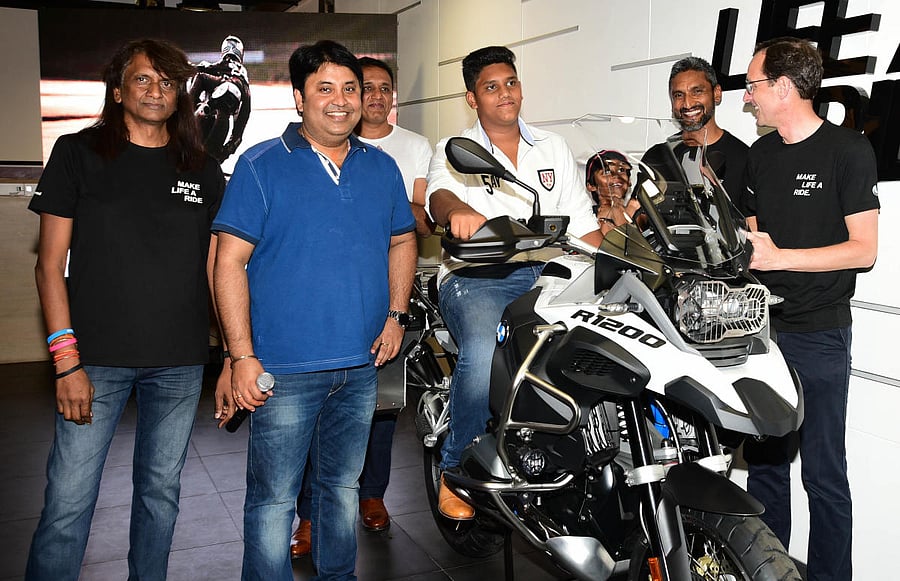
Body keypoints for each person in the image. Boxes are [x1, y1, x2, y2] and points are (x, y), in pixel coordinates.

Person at [211, 40, 417, 581]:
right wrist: (240, 357)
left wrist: (397, 314)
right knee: (274, 501)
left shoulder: (382, 168)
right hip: (282, 370)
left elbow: (402, 240)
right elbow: (227, 264)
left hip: (359, 368)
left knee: (340, 491)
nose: (341, 101)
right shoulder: (260, 166)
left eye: (351, 89)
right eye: (324, 88)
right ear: (299, 99)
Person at [25, 38, 225, 580]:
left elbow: (218, 270)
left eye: (166, 81)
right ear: (118, 91)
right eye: (142, 79)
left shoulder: (202, 167)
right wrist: (66, 362)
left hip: (180, 362)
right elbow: (48, 267)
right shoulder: (76, 152)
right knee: (69, 501)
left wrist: (231, 354)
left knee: (159, 496)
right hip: (93, 361)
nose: (156, 90)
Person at [425, 45, 603, 519]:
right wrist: (456, 211)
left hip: (546, 272)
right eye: (491, 87)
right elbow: (439, 195)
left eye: (511, 82)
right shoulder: (455, 149)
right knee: (484, 352)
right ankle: (455, 468)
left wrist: (616, 263)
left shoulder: (553, 148)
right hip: (477, 274)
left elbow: (582, 225)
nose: (505, 93)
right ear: (471, 98)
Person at [739, 37, 879, 581]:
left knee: (824, 475)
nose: (747, 98)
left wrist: (781, 258)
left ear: (783, 87)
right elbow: (753, 234)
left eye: (753, 86)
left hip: (821, 334)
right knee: (767, 470)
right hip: (761, 334)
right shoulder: (760, 155)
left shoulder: (848, 151)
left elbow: (864, 250)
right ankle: (766, 571)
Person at [289, 56, 433, 558]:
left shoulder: (408, 151)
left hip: (386, 302)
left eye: (378, 88)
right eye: (360, 87)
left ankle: (371, 494)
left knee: (383, 408)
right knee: (310, 420)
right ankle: (309, 516)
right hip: (318, 314)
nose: (369, 97)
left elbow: (416, 223)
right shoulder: (299, 153)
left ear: (392, 97)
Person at [643, 56, 748, 196]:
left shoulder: (744, 158)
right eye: (679, 95)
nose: (687, 104)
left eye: (697, 92)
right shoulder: (657, 157)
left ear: (716, 94)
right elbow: (637, 214)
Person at [189, 35, 251, 163]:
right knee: (237, 131)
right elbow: (241, 125)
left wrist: (195, 67)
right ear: (241, 54)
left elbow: (200, 70)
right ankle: (215, 158)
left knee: (199, 78)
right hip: (237, 90)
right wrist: (228, 150)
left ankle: (185, 116)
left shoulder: (221, 64)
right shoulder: (244, 77)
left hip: (220, 84)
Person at [585, 149, 640, 235]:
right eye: (607, 172)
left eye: (621, 170)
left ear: (629, 181)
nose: (616, 176)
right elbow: (623, 244)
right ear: (591, 186)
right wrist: (631, 208)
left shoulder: (641, 214)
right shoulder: (588, 219)